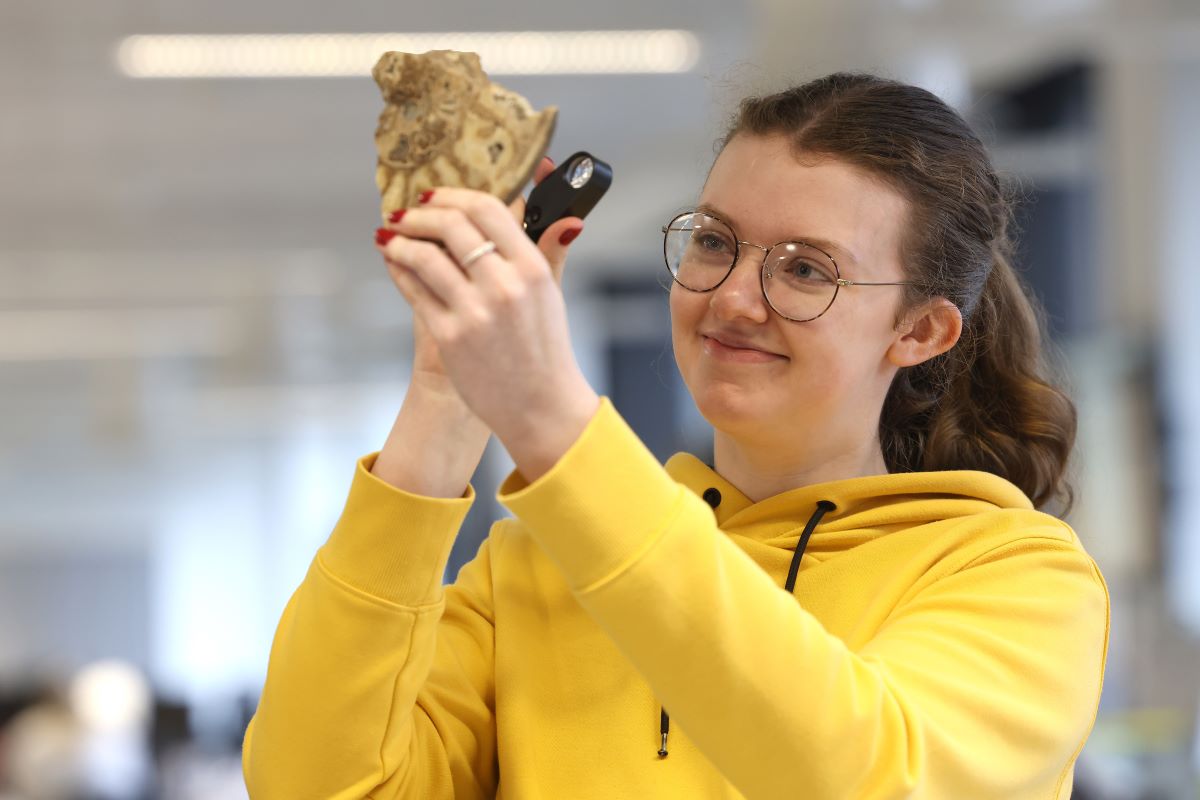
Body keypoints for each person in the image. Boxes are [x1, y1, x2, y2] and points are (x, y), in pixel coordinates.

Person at [241, 73, 1109, 799]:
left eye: (806, 268)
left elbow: (866, 773)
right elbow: (315, 784)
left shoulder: (1014, 575)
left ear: (919, 331)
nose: (732, 296)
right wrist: (444, 398)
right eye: (714, 243)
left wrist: (555, 424)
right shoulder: (535, 573)